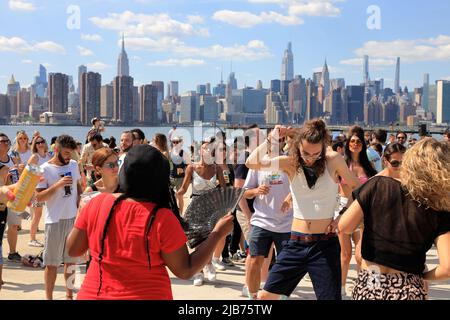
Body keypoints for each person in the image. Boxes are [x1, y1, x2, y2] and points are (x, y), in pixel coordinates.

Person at [66, 145, 234, 300]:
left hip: (93, 293)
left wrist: (84, 218)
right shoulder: (161, 218)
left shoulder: (97, 203)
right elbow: (185, 269)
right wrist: (217, 233)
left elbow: (73, 249)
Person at [246, 119, 360, 300]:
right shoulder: (290, 163)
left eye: (316, 153)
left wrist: (341, 215)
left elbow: (356, 187)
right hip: (295, 244)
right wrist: (273, 137)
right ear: (297, 145)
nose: (310, 158)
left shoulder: (333, 160)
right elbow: (252, 162)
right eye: (306, 152)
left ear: (323, 147)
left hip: (325, 245)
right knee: (264, 297)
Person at [339, 138, 450, 300]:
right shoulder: (439, 206)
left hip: (372, 278)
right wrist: (420, 277)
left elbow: (344, 227)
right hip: (409, 285)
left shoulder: (377, 185)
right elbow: (446, 268)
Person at [243, 136, 294, 299]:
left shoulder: (289, 161)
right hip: (262, 221)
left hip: (286, 223)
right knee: (254, 261)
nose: (276, 143)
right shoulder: (259, 164)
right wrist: (256, 190)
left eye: (280, 140)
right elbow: (245, 192)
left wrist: (290, 197)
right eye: (273, 139)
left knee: (285, 264)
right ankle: (252, 296)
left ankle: (281, 295)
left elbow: (301, 188)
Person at [36, 135, 82, 300]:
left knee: (71, 262)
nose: (69, 156)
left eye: (71, 153)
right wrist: (57, 185)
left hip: (72, 219)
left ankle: (69, 296)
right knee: (52, 263)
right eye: (66, 153)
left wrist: (81, 205)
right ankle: (49, 297)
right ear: (56, 149)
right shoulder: (44, 168)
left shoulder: (74, 164)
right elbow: (39, 197)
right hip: (54, 220)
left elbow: (78, 187)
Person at [177, 139, 226, 286]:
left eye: (209, 150)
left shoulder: (217, 169)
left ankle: (209, 265)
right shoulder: (191, 168)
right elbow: (184, 188)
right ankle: (198, 272)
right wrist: (176, 194)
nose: (206, 152)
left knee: (210, 238)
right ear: (200, 151)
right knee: (198, 239)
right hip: (196, 206)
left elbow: (223, 190)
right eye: (204, 149)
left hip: (212, 207)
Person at [339, 126, 377, 297]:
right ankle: (341, 288)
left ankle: (367, 287)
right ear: (347, 143)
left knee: (362, 256)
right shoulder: (340, 163)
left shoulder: (368, 167)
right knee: (345, 255)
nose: (355, 144)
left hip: (362, 212)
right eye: (352, 141)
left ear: (363, 144)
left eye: (358, 141)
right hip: (343, 211)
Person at [0, 133, 21, 262]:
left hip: (12, 195)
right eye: (1, 141)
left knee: (13, 225)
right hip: (1, 196)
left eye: (6, 141)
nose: (4, 143)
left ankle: (12, 252)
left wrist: (20, 170)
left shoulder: (13, 159)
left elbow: (20, 177)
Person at [27, 136, 52, 247]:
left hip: (48, 188)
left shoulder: (49, 155)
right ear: (35, 145)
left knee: (49, 212)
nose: (40, 144)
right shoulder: (34, 157)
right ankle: (32, 239)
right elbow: (27, 170)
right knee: (37, 214)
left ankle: (48, 237)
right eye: (38, 143)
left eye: (42, 142)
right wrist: (41, 173)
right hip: (37, 189)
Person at [169, 136, 190, 214]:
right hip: (171, 177)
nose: (175, 144)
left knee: (180, 196)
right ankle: (174, 213)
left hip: (180, 178)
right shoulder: (170, 152)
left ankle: (181, 213)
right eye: (173, 142)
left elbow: (189, 166)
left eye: (177, 142)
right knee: (171, 196)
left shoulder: (183, 153)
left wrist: (183, 170)